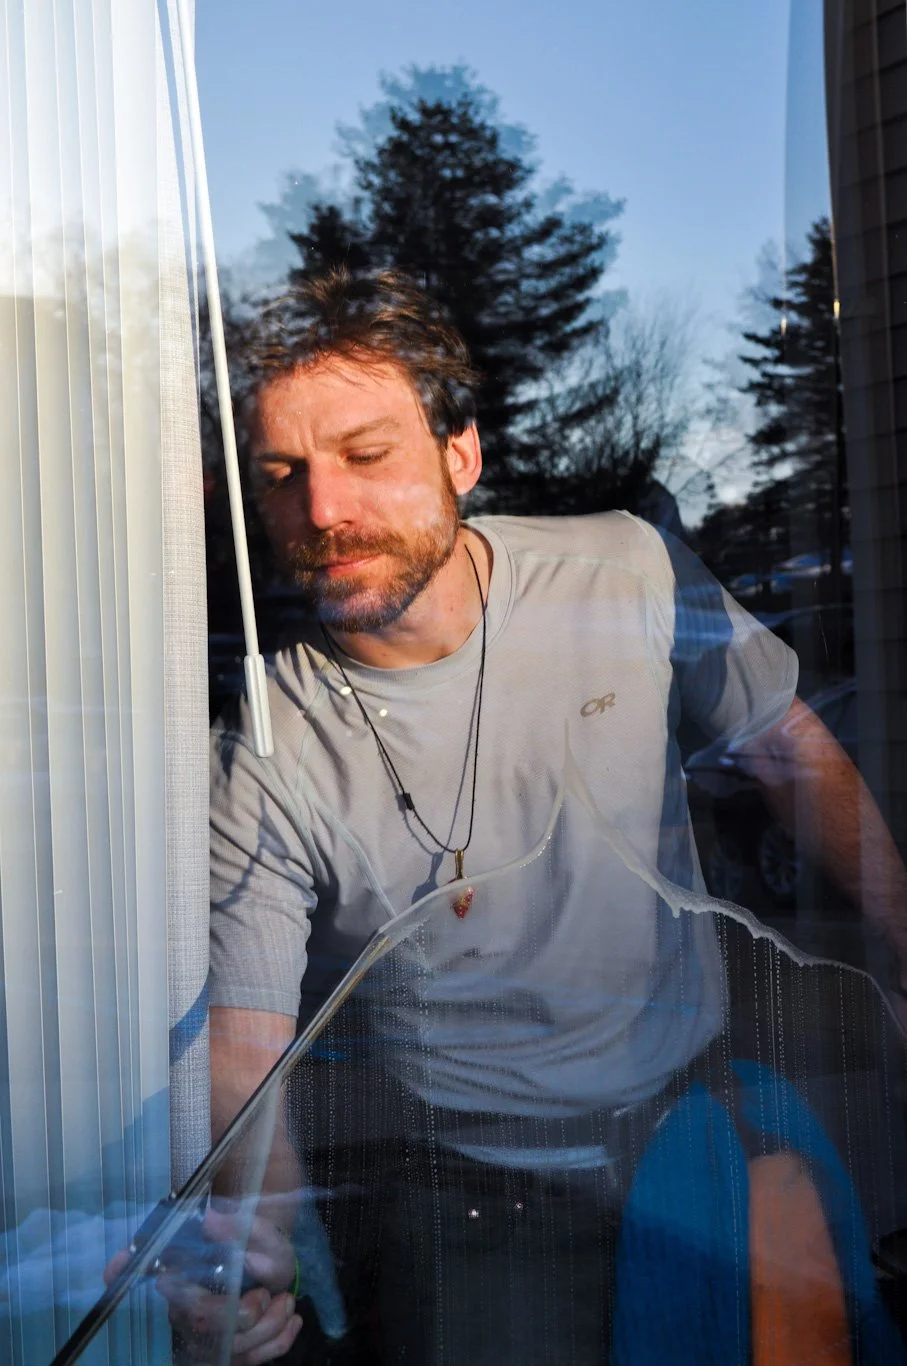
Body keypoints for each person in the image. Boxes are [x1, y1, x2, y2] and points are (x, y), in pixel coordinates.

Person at [193, 268, 907, 1364]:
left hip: (693, 1123)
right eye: (282, 474)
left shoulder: (623, 569)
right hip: (471, 1188)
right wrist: (260, 1250)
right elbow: (247, 1050)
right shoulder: (270, 742)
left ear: (460, 455)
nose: (323, 510)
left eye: (366, 455)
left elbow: (783, 744)